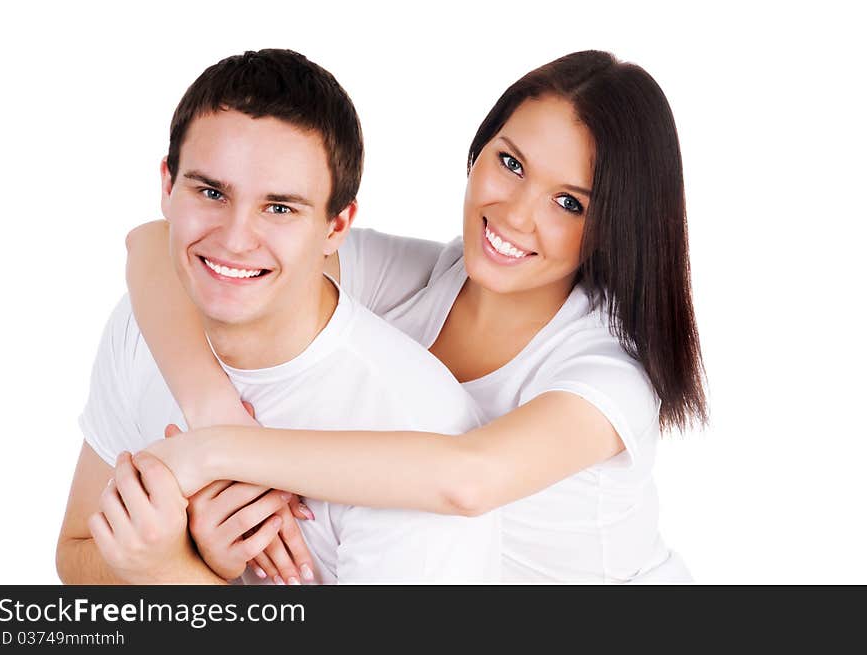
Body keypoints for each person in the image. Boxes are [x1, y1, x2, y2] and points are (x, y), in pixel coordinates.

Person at [129, 49, 708, 583]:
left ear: (617, 225)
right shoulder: (421, 279)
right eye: (510, 163)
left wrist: (214, 453)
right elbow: (154, 244)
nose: (516, 213)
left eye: (569, 202)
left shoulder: (610, 373)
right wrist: (211, 410)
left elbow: (467, 480)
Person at [55, 48, 500, 585]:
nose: (236, 239)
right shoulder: (144, 322)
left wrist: (173, 572)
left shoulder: (412, 422)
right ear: (168, 188)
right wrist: (191, 558)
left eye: (280, 207)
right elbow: (75, 556)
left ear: (337, 227)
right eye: (212, 191)